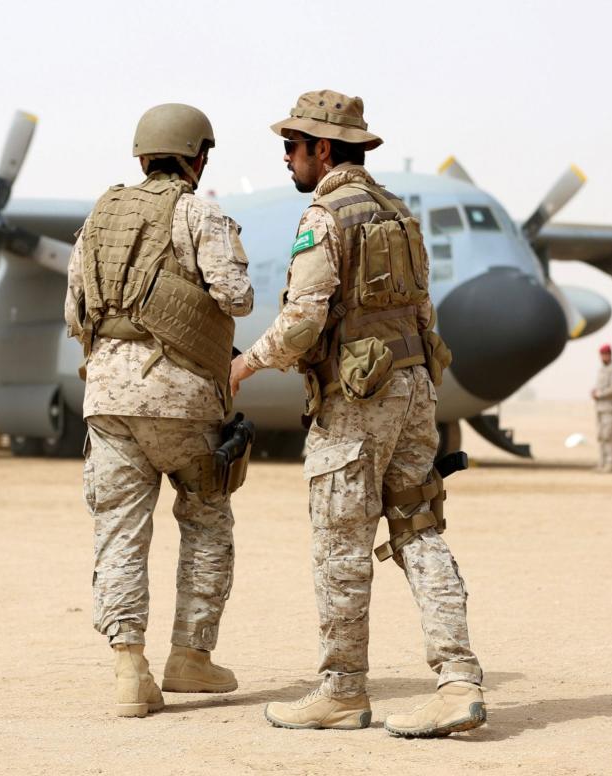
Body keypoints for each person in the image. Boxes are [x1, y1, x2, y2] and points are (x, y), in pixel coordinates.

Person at [229, 90, 485, 738]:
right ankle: (458, 682)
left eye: (292, 146)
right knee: (419, 529)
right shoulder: (399, 215)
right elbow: (423, 314)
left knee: (340, 547)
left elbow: (302, 321)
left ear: (323, 149)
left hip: (356, 402)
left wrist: (244, 364)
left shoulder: (325, 217)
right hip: (415, 390)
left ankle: (342, 691)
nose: (287, 158)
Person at [63, 103, 254, 718]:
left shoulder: (97, 217)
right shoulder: (199, 211)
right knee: (205, 520)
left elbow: (74, 312)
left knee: (119, 530)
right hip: (182, 400)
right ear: (198, 157)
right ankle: (190, 659)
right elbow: (237, 296)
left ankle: (129, 671)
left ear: (142, 157)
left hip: (106, 400)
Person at [591, 344, 612, 473]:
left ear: (610, 355)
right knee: (601, 436)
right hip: (600, 408)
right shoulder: (601, 370)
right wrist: (594, 393)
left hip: (610, 408)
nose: (603, 357)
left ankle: (610, 463)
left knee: (608, 436)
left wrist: (600, 394)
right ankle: (602, 463)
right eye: (602, 354)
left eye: (605, 354)